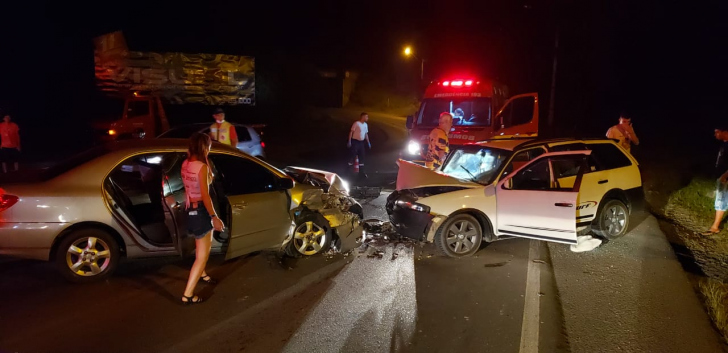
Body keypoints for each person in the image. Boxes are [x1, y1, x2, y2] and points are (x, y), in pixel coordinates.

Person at [180, 133, 225, 305]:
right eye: (209, 145)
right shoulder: (202, 167)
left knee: (200, 250)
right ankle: (188, 295)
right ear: (204, 147)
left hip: (190, 210)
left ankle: (203, 274)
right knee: (202, 256)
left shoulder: (185, 164)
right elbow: (206, 197)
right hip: (201, 212)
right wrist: (214, 217)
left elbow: (187, 188)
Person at [700, 127, 728, 236]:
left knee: (721, 201)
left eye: (717, 132)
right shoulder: (724, 144)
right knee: (722, 200)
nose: (715, 135)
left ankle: (715, 227)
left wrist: (725, 175)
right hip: (721, 177)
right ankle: (715, 227)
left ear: (725, 132)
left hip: (724, 178)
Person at [347, 112, 371, 176]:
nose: (367, 118)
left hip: (361, 142)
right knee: (353, 155)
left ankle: (361, 172)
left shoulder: (366, 125)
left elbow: (366, 134)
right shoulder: (356, 123)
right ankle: (348, 170)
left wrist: (368, 142)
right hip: (355, 142)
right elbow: (351, 132)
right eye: (366, 117)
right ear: (363, 117)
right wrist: (349, 141)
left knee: (362, 155)